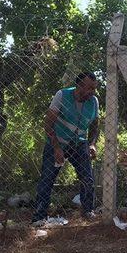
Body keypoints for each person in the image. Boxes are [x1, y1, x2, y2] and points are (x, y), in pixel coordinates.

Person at [32, 72, 100, 224]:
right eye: (89, 88)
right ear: (79, 86)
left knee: (87, 179)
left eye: (94, 89)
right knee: (47, 179)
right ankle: (39, 216)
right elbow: (48, 125)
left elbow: (95, 125)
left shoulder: (94, 101)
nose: (92, 92)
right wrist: (56, 148)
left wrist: (92, 143)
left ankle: (88, 211)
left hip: (79, 144)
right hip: (57, 142)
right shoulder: (62, 95)